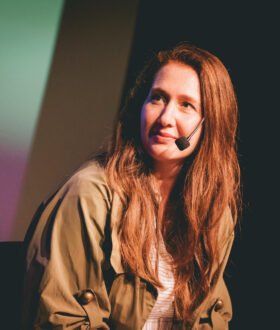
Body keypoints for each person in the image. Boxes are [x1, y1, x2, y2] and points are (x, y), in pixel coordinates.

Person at [22, 43, 241, 329]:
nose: (165, 118)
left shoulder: (215, 212)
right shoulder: (90, 194)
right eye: (158, 98)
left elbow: (211, 319)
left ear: (209, 124)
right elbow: (62, 319)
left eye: (186, 105)